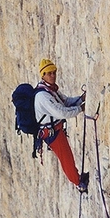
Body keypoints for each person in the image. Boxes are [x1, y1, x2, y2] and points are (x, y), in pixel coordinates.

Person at [34, 58, 89, 193]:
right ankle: (78, 183)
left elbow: (65, 102)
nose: (52, 75)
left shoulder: (50, 90)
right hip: (51, 132)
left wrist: (81, 99)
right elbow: (61, 112)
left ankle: (77, 179)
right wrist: (81, 109)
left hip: (54, 130)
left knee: (67, 156)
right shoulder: (43, 96)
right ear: (43, 75)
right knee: (66, 158)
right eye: (49, 73)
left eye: (54, 72)